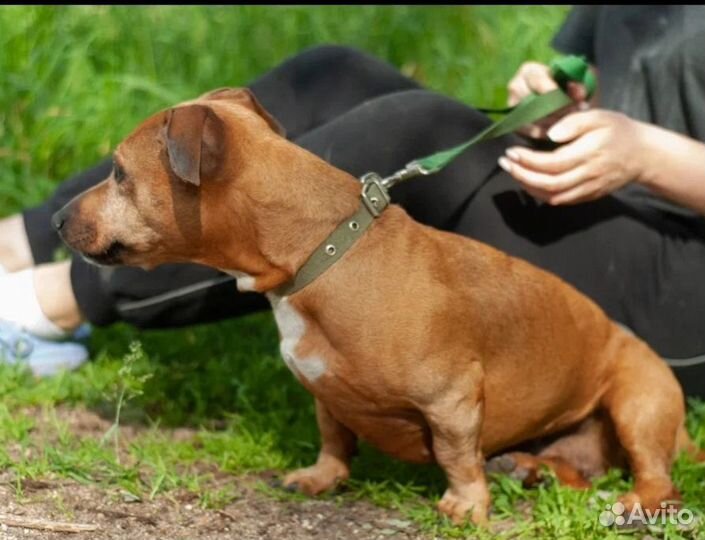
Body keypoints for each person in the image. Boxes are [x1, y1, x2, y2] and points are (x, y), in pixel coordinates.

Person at [1, 6, 704, 397]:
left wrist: (649, 154)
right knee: (331, 74)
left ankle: (48, 305)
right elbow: (620, 73)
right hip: (604, 190)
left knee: (416, 128)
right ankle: (22, 241)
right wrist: (565, 95)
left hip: (683, 274)